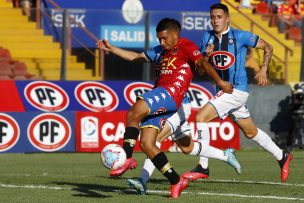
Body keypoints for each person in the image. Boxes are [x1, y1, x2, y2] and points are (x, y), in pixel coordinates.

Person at [97, 18, 234, 198]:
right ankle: (176, 181)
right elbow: (136, 57)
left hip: (172, 93)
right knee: (147, 143)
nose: (161, 42)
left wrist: (219, 81)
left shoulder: (186, 46)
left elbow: (202, 64)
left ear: (175, 35)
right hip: (162, 94)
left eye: (164, 38)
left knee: (134, 112)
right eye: (159, 39)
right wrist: (112, 48)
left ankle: (127, 156)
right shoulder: (161, 50)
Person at [182, 3, 292, 183]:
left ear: (227, 19)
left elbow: (269, 47)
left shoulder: (239, 36)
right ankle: (282, 155)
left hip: (237, 90)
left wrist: (264, 69)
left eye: (219, 17)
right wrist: (207, 56)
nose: (215, 20)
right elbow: (201, 71)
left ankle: (203, 165)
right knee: (250, 132)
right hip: (223, 91)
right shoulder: (207, 38)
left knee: (201, 117)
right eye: (212, 17)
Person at [127, 94, 241, 195]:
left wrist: (218, 80)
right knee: (188, 148)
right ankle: (225, 155)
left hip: (178, 105)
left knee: (154, 139)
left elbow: (202, 69)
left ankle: (143, 180)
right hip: (169, 105)